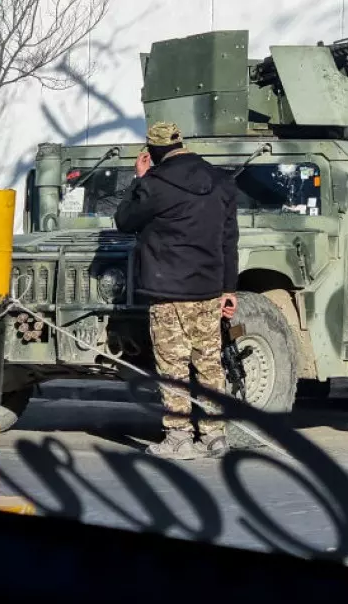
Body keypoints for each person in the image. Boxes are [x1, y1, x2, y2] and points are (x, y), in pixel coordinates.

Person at [114, 121, 239, 460]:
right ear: (181, 143)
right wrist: (229, 289)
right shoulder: (221, 182)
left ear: (152, 151)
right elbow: (229, 240)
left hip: (167, 291)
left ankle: (179, 437)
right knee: (210, 363)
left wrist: (138, 180)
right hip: (210, 290)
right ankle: (215, 437)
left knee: (173, 365)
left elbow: (124, 221)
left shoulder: (154, 184)